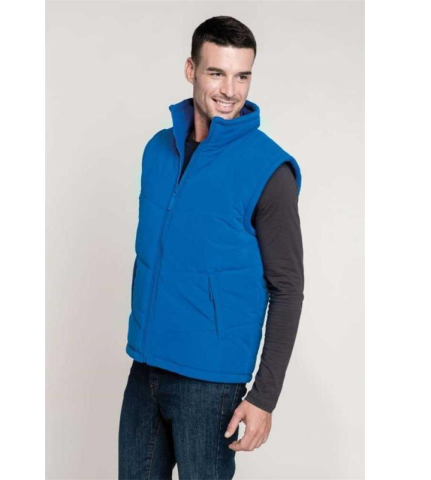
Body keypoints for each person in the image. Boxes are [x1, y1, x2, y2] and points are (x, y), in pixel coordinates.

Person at [119, 15, 304, 480]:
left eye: (242, 76)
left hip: (211, 384)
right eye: (217, 73)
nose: (230, 90)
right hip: (145, 367)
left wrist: (264, 397)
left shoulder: (269, 169)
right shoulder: (157, 151)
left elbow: (287, 289)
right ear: (191, 70)